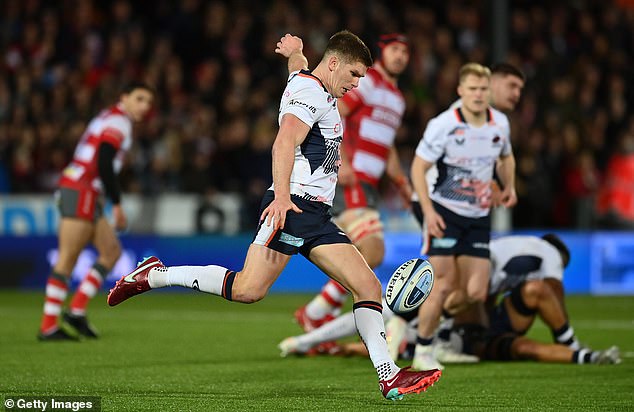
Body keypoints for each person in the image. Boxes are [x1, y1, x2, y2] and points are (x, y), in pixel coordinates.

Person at [107, 31, 441, 401]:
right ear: (334, 64)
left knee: (368, 287)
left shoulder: (307, 81)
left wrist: (295, 52)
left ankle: (389, 377)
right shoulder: (311, 94)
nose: (357, 83)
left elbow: (298, 67)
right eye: (354, 74)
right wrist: (281, 196)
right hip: (292, 208)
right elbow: (283, 141)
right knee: (248, 289)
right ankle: (155, 275)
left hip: (316, 215)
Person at [279, 234, 621, 365]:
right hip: (468, 336)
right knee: (522, 347)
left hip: (468, 330)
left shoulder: (516, 259)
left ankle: (308, 339)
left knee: (389, 318)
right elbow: (549, 290)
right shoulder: (547, 256)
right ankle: (582, 354)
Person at [277, 33, 412, 333]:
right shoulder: (369, 81)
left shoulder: (398, 98)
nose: (400, 56)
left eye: (405, 51)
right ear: (383, 51)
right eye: (394, 50)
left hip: (369, 183)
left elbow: (385, 144)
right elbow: (341, 113)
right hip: (352, 178)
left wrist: (401, 182)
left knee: (357, 250)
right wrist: (345, 160)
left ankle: (318, 312)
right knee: (372, 250)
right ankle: (318, 312)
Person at [409, 62, 517, 370]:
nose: (478, 95)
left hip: (479, 215)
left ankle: (423, 328)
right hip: (444, 211)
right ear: (460, 91)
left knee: (475, 292)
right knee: (441, 284)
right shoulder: (443, 124)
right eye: (472, 89)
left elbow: (506, 156)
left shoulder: (500, 123)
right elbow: (418, 168)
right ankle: (423, 351)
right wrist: (428, 212)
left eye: (483, 89)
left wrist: (509, 185)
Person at [37, 82, 154, 341]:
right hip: (81, 188)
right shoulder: (119, 121)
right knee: (68, 257)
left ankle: (76, 312)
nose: (145, 106)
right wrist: (118, 203)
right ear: (124, 97)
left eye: (148, 102)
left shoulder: (111, 117)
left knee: (111, 252)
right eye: (140, 99)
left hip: (86, 190)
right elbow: (103, 160)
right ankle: (48, 326)